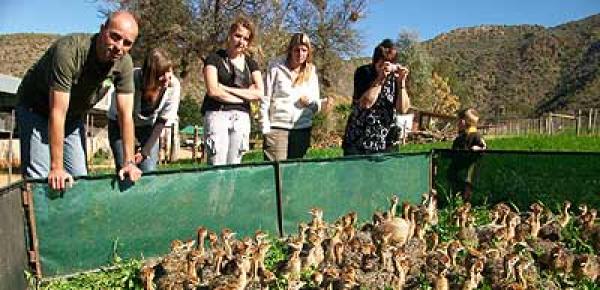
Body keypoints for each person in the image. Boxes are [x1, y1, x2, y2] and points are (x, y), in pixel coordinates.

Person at [16, 11, 142, 190]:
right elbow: (57, 112)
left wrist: (129, 161)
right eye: (115, 37)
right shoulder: (69, 51)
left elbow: (125, 116)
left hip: (72, 117)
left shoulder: (124, 64)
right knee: (42, 178)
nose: (119, 47)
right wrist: (57, 167)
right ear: (102, 30)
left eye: (127, 43)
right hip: (36, 109)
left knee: (80, 177)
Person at [201, 16, 263, 165]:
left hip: (242, 117)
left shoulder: (251, 64)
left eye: (246, 39)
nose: (241, 41)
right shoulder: (214, 58)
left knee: (235, 166)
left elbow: (259, 93)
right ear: (230, 35)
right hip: (218, 114)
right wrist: (246, 96)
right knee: (217, 165)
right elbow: (213, 91)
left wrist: (227, 89)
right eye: (238, 36)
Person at [107, 48, 180, 172]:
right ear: (149, 76)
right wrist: (129, 157)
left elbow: (162, 120)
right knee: (125, 170)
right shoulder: (129, 79)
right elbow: (123, 117)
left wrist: (144, 151)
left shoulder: (173, 86)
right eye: (161, 77)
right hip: (120, 126)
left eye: (169, 74)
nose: (167, 81)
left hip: (148, 130)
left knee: (148, 170)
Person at [342, 39, 410, 156]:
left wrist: (401, 83)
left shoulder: (396, 78)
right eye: (384, 61)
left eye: (391, 62)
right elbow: (365, 103)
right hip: (359, 140)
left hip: (385, 141)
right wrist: (380, 79)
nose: (387, 65)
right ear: (376, 61)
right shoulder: (364, 72)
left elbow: (403, 109)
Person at [261, 33, 322, 161]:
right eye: (297, 50)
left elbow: (317, 105)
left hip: (301, 129)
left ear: (308, 52)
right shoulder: (275, 67)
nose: (300, 54)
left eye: (304, 50)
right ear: (290, 50)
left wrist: (309, 102)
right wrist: (265, 127)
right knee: (276, 172)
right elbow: (265, 97)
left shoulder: (311, 71)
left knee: (295, 172)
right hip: (277, 127)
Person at [449, 108, 487, 201]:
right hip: (456, 171)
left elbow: (484, 147)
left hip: (467, 172)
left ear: (463, 122)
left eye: (458, 121)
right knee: (455, 191)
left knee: (466, 192)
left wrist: (478, 148)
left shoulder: (475, 135)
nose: (457, 124)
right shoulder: (459, 138)